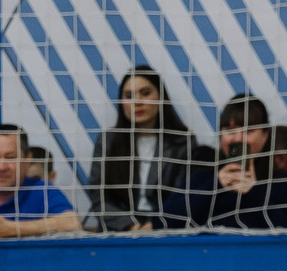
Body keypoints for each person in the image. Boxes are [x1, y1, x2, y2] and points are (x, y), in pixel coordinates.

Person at [87, 66, 204, 229]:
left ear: (161, 96)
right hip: (118, 233)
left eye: (145, 93)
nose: (137, 102)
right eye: (129, 96)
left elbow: (184, 196)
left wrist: (154, 224)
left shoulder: (183, 141)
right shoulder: (108, 140)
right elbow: (98, 195)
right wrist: (130, 226)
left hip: (167, 231)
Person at [0, 123, 82, 240]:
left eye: (11, 157)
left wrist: (11, 229)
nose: (1, 167)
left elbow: (72, 223)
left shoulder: (41, 190)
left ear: (28, 159)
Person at [203, 94, 287, 229]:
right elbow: (167, 223)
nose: (238, 139)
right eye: (230, 131)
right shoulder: (200, 179)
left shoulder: (284, 183)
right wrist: (216, 185)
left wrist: (254, 191)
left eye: (249, 131)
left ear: (265, 136)